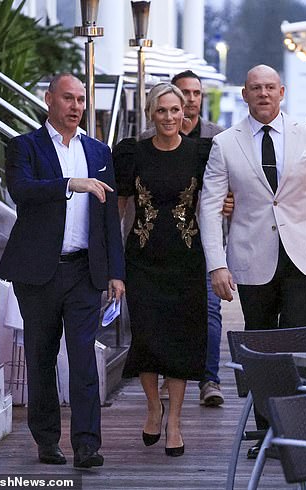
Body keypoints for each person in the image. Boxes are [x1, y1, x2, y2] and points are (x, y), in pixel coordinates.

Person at [199, 64, 306, 458]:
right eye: (255, 88)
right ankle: (268, 434)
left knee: (302, 342)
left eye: (269, 88)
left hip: (303, 258)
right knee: (260, 344)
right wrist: (216, 264)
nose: (263, 94)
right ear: (244, 94)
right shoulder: (226, 143)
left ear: (283, 92)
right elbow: (209, 208)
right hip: (250, 257)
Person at [0, 73, 125, 469]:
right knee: (40, 357)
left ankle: (87, 445)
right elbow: (22, 190)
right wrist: (71, 183)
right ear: (49, 99)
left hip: (85, 271)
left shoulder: (100, 151)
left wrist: (116, 272)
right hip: (38, 272)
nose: (76, 107)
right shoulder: (25, 146)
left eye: (82, 100)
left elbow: (109, 219)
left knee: (84, 358)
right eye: (68, 98)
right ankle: (47, 440)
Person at [114, 83, 211, 457]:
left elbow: (216, 197)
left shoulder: (200, 153)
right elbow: (119, 208)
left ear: (184, 114)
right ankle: (154, 407)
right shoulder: (132, 153)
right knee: (148, 337)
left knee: (180, 341)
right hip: (142, 259)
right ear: (151, 114)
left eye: (176, 111)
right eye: (162, 111)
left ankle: (175, 422)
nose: (170, 117)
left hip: (186, 259)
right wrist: (113, 264)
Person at [141, 70, 225, 407]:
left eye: (196, 94)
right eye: (184, 93)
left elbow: (228, 185)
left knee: (210, 311)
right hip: (158, 244)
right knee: (163, 315)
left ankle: (209, 378)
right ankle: (167, 376)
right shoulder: (145, 142)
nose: (190, 100)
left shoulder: (216, 139)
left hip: (204, 243)